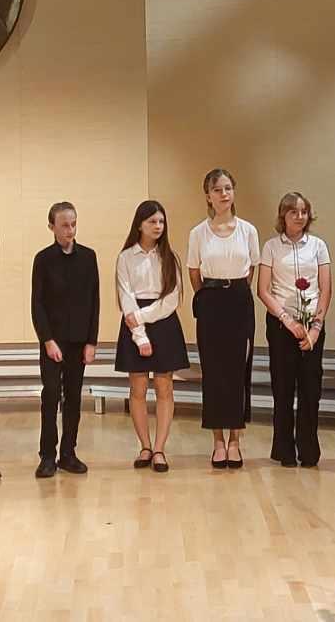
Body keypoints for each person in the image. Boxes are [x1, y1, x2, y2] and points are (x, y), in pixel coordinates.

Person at [187, 168, 259, 469]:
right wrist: (209, 297)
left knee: (238, 370)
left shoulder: (248, 230)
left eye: (228, 188)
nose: (223, 194)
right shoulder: (198, 233)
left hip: (239, 301)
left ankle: (235, 441)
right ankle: (218, 440)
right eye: (217, 189)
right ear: (208, 196)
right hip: (211, 302)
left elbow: (252, 269)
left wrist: (234, 291)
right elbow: (194, 272)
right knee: (214, 372)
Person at [257, 192, 331, 468]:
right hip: (281, 325)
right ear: (283, 216)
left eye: (303, 212)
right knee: (283, 388)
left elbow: (325, 289)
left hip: (312, 325)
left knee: (311, 388)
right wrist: (288, 321)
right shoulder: (271, 247)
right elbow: (263, 290)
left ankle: (309, 449)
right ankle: (284, 449)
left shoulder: (318, 246)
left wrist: (315, 328)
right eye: (293, 212)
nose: (299, 216)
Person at [115, 200, 189, 473]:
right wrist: (139, 335)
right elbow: (126, 296)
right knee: (137, 389)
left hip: (163, 322)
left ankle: (159, 449)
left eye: (161, 222)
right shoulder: (126, 257)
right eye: (152, 222)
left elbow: (171, 300)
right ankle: (145, 446)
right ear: (140, 225)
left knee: (164, 387)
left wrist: (142, 317)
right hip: (133, 324)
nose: (158, 226)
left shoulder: (170, 258)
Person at [30, 202, 99, 478]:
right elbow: (37, 304)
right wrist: (47, 340)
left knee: (73, 397)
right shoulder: (43, 259)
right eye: (64, 225)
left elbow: (94, 301)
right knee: (50, 395)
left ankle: (68, 453)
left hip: (79, 340)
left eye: (73, 224)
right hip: (53, 341)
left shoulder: (88, 257)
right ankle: (47, 455)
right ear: (52, 227)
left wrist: (91, 341)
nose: (70, 230)